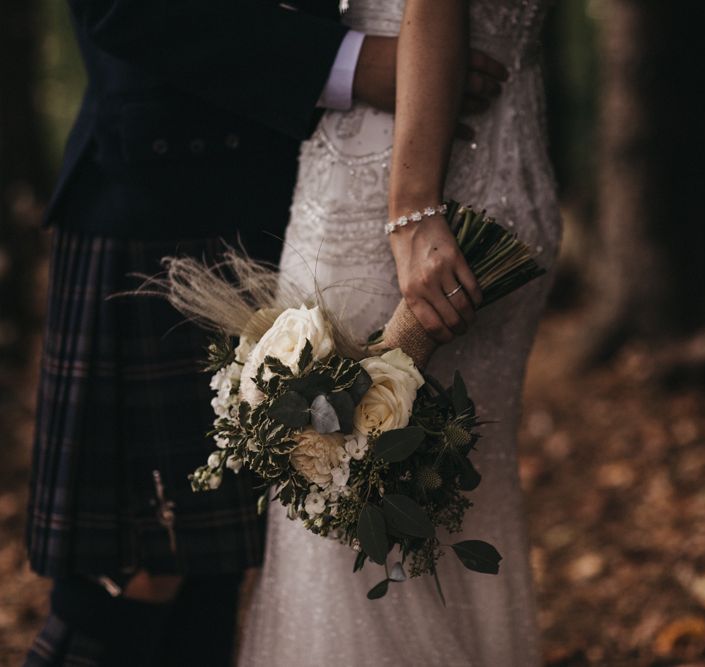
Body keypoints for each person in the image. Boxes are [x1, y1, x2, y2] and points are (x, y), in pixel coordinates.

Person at [24, 1, 502, 664]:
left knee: (213, 584)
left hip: (301, 188)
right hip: (160, 198)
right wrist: (350, 63)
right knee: (130, 580)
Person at [240, 1, 561, 665]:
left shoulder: (410, 212)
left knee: (345, 513)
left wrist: (411, 212)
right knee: (456, 502)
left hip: (396, 190)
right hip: (509, 168)